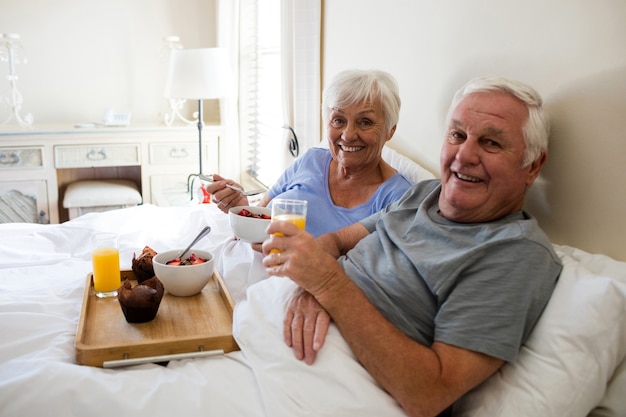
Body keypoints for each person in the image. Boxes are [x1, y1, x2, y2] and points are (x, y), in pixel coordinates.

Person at [261, 75, 563, 417]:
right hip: (284, 332)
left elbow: (429, 393)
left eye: (491, 143)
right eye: (458, 135)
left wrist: (326, 285)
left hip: (338, 379)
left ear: (533, 166)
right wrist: (311, 288)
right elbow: (336, 242)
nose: (464, 156)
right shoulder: (426, 194)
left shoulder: (514, 253)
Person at [205, 69, 413, 237]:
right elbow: (262, 212)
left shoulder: (399, 198)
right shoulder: (312, 160)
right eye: (339, 120)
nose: (348, 135)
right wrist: (241, 208)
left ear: (390, 130)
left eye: (365, 122)